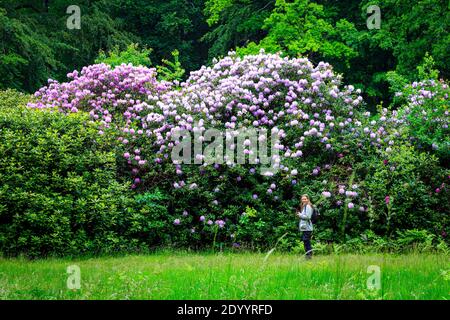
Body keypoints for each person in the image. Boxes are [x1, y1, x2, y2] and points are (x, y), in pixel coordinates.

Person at [297, 194, 313, 259]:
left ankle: (309, 256)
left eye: (305, 199)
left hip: (307, 228)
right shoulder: (304, 206)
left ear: (308, 199)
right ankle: (308, 256)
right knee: (306, 242)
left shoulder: (308, 206)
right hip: (305, 228)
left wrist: (300, 215)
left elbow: (308, 217)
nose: (303, 200)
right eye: (302, 199)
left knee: (306, 242)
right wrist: (300, 214)